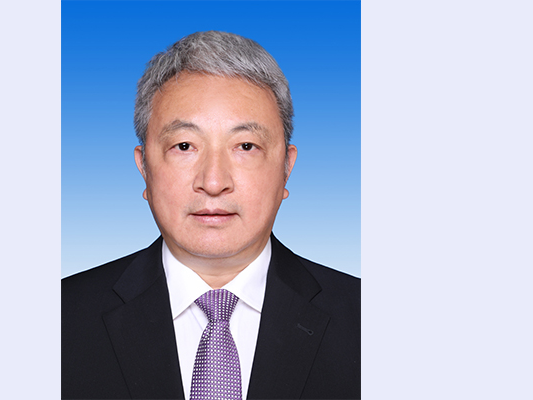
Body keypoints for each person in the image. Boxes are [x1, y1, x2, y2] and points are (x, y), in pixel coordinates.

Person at [62, 31, 360, 400]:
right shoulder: (61, 318)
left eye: (246, 146)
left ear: (287, 167)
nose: (214, 182)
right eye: (184, 145)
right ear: (144, 168)